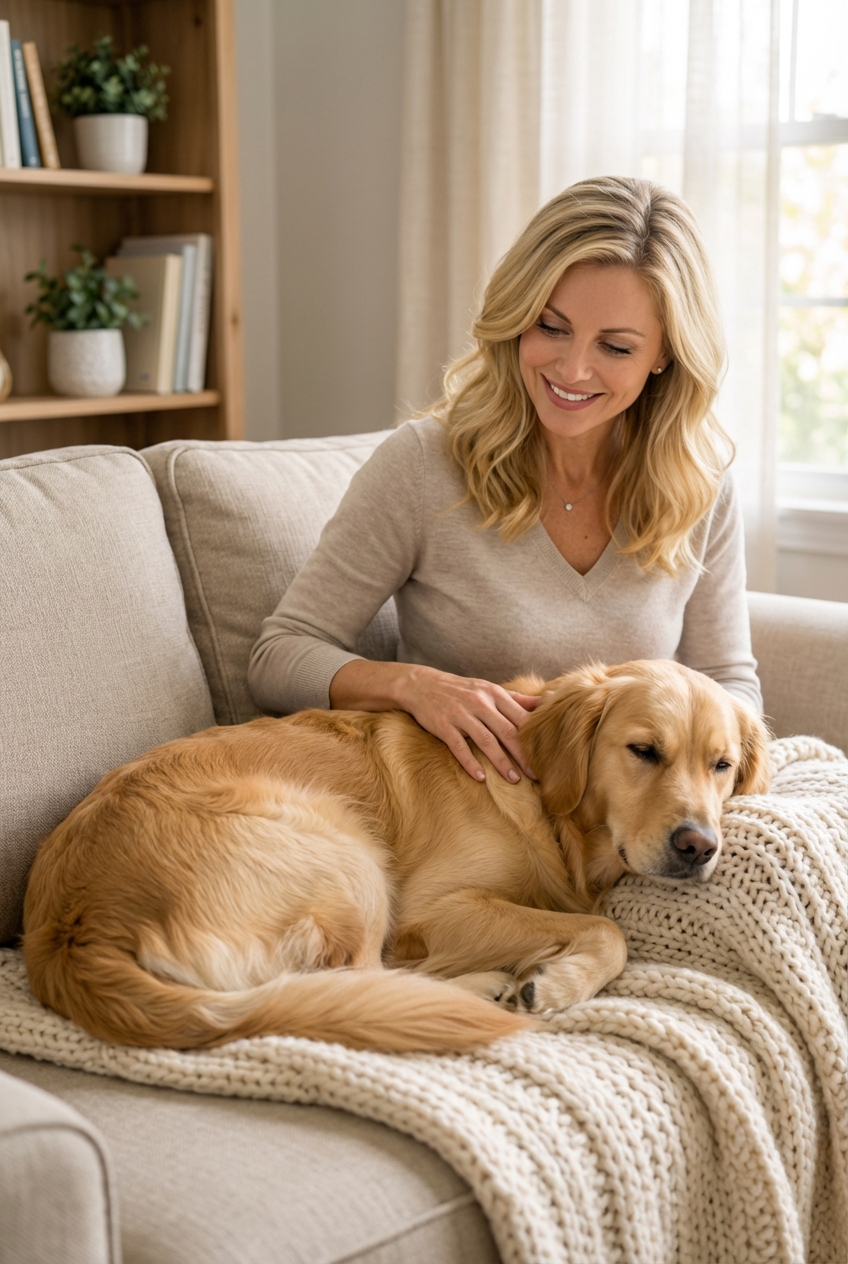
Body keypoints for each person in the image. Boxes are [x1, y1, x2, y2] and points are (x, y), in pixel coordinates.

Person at [249, 175, 761, 787]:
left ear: (664, 355)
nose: (572, 368)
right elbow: (278, 656)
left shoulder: (699, 487)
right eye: (551, 327)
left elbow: (728, 683)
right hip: (468, 826)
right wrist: (413, 686)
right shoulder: (422, 465)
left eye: (616, 348)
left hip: (628, 826)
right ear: (517, 317)